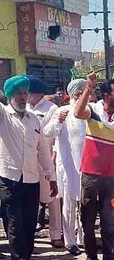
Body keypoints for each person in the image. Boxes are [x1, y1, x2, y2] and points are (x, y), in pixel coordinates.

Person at [0, 76, 58, 260]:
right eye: (18, 93)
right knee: (14, 225)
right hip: (9, 180)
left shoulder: (34, 119)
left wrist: (51, 177)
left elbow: (42, 150)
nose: (23, 96)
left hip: (32, 180)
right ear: (9, 95)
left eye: (25, 92)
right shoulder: (4, 116)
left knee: (29, 224)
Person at [75, 73, 114, 260]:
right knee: (88, 217)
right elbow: (78, 113)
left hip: (111, 175)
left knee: (109, 218)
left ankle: (109, 256)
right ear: (106, 95)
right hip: (91, 173)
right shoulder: (93, 111)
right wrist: (88, 88)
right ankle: (91, 255)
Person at [43, 79, 87, 256]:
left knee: (86, 204)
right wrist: (58, 122)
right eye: (82, 92)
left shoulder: (89, 111)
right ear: (76, 94)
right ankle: (70, 241)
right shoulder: (63, 111)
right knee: (69, 204)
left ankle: (83, 239)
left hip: (86, 165)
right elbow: (48, 132)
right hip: (68, 166)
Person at [27, 76, 63, 249]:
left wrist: (53, 157)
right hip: (27, 161)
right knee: (29, 201)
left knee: (52, 200)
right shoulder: (24, 107)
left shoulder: (51, 108)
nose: (25, 95)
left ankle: (56, 235)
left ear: (36, 93)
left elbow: (53, 133)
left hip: (47, 159)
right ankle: (29, 236)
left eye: (28, 92)